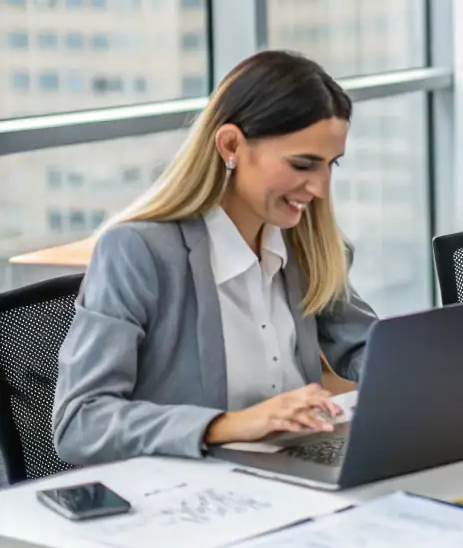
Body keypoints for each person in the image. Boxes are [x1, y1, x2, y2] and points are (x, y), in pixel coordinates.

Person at [53, 51, 376, 466]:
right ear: (230, 145)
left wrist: (430, 377)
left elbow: (370, 349)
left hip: (292, 471)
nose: (320, 188)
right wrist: (228, 424)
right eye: (302, 164)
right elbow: (80, 423)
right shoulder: (139, 253)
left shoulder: (308, 245)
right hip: (192, 492)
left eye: (332, 165)